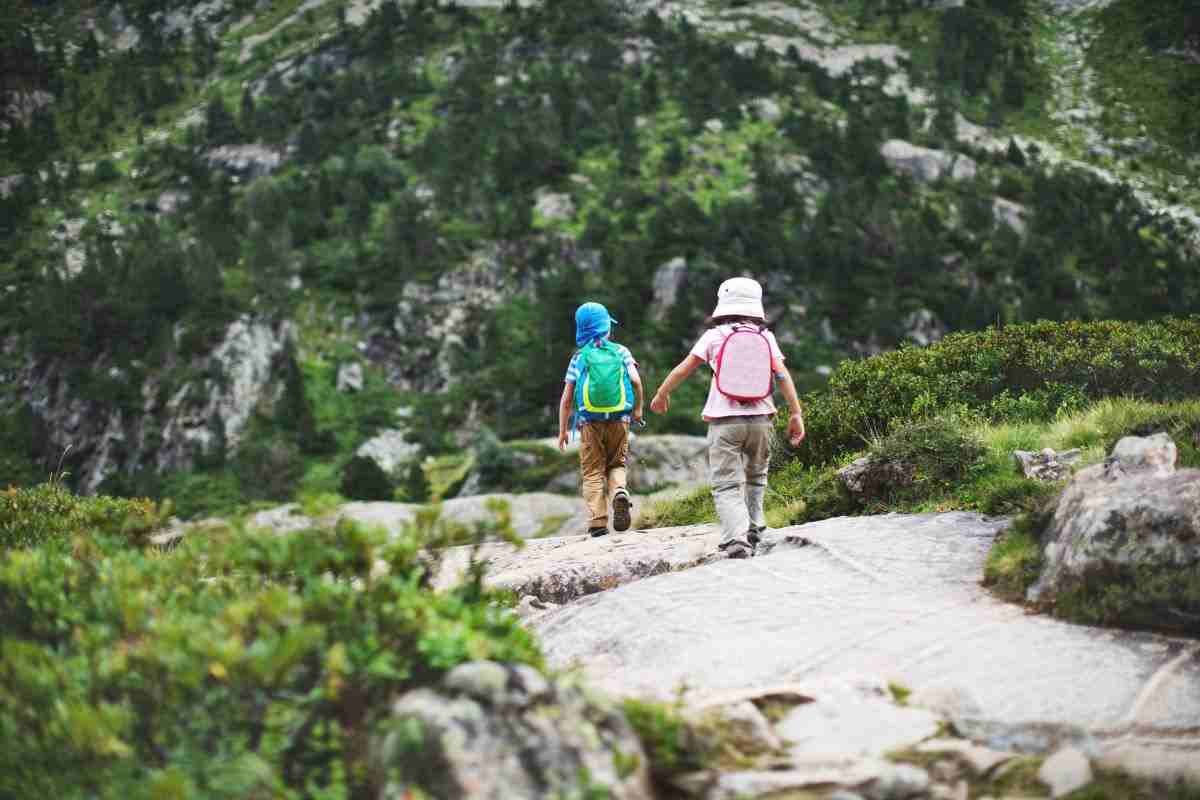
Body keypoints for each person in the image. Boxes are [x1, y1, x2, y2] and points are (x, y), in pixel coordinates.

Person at [649, 277, 805, 559]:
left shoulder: (714, 336)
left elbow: (684, 369)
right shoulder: (765, 337)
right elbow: (781, 375)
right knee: (757, 475)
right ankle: (756, 526)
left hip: (725, 421)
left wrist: (661, 395)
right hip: (761, 419)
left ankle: (736, 538)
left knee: (726, 483)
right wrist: (796, 413)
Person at [558, 302, 644, 537]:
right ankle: (619, 492)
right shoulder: (621, 351)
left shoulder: (579, 358)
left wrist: (563, 430)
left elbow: (566, 399)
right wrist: (637, 409)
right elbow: (636, 381)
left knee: (593, 471)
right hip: (620, 419)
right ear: (607, 327)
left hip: (589, 423)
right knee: (617, 464)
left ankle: (598, 523)